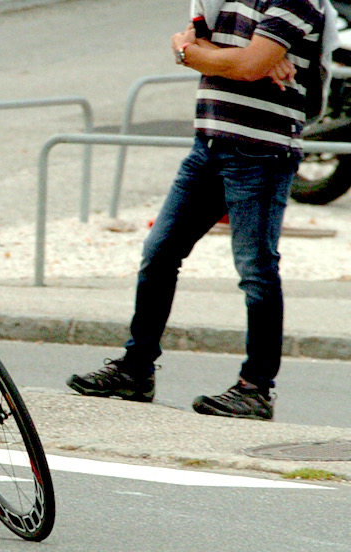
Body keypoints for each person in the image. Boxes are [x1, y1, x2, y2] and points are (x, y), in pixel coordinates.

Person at [67, 0, 328, 420]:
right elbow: (198, 41)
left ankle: (255, 389)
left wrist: (212, 56)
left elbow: (239, 63)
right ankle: (136, 368)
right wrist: (232, 55)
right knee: (159, 250)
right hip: (208, 143)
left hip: (260, 151)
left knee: (256, 268)